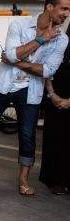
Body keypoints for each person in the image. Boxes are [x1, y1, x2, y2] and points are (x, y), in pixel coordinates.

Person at [0, 0, 70, 194]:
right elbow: (11, 55)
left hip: (30, 90)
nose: (66, 14)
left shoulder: (62, 40)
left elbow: (48, 70)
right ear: (49, 7)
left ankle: (23, 179)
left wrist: (14, 59)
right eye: (64, 8)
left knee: (27, 134)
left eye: (69, 10)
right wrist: (41, 39)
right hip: (3, 84)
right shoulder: (19, 24)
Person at [40, 39, 70, 194]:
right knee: (55, 138)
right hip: (55, 98)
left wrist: (69, 101)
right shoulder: (61, 42)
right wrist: (52, 95)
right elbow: (48, 70)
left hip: (66, 100)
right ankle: (55, 180)